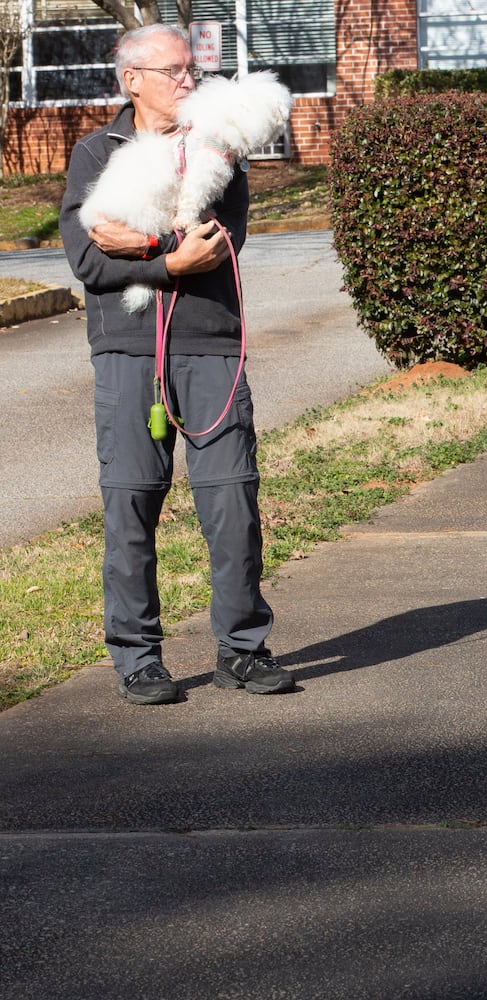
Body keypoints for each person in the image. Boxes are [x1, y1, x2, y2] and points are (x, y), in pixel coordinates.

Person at [60, 23, 293, 704]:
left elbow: (224, 238)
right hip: (130, 356)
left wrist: (149, 243)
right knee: (132, 503)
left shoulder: (219, 145)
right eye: (174, 71)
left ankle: (243, 650)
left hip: (211, 347)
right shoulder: (94, 153)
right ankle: (138, 658)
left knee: (232, 502)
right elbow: (87, 258)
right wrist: (168, 260)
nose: (190, 81)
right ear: (132, 79)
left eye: (193, 69)